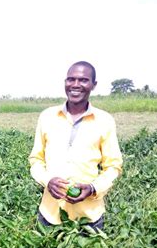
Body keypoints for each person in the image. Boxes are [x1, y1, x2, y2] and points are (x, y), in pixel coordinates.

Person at [29, 61, 122, 230]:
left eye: (83, 80)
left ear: (93, 85)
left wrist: (93, 188)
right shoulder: (47, 117)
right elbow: (36, 159)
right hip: (50, 215)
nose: (76, 85)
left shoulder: (105, 121)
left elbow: (113, 167)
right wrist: (48, 181)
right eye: (70, 79)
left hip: (88, 218)